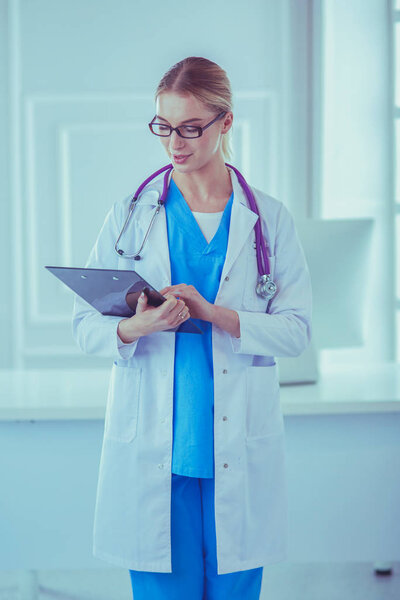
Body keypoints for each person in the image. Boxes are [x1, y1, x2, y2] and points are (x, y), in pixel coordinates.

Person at [72, 56, 312, 600]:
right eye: (163, 126)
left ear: (225, 123)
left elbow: (296, 332)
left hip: (236, 442)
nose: (174, 143)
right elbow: (85, 325)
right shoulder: (131, 215)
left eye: (190, 128)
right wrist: (137, 326)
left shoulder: (268, 220)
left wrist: (215, 314)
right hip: (156, 444)